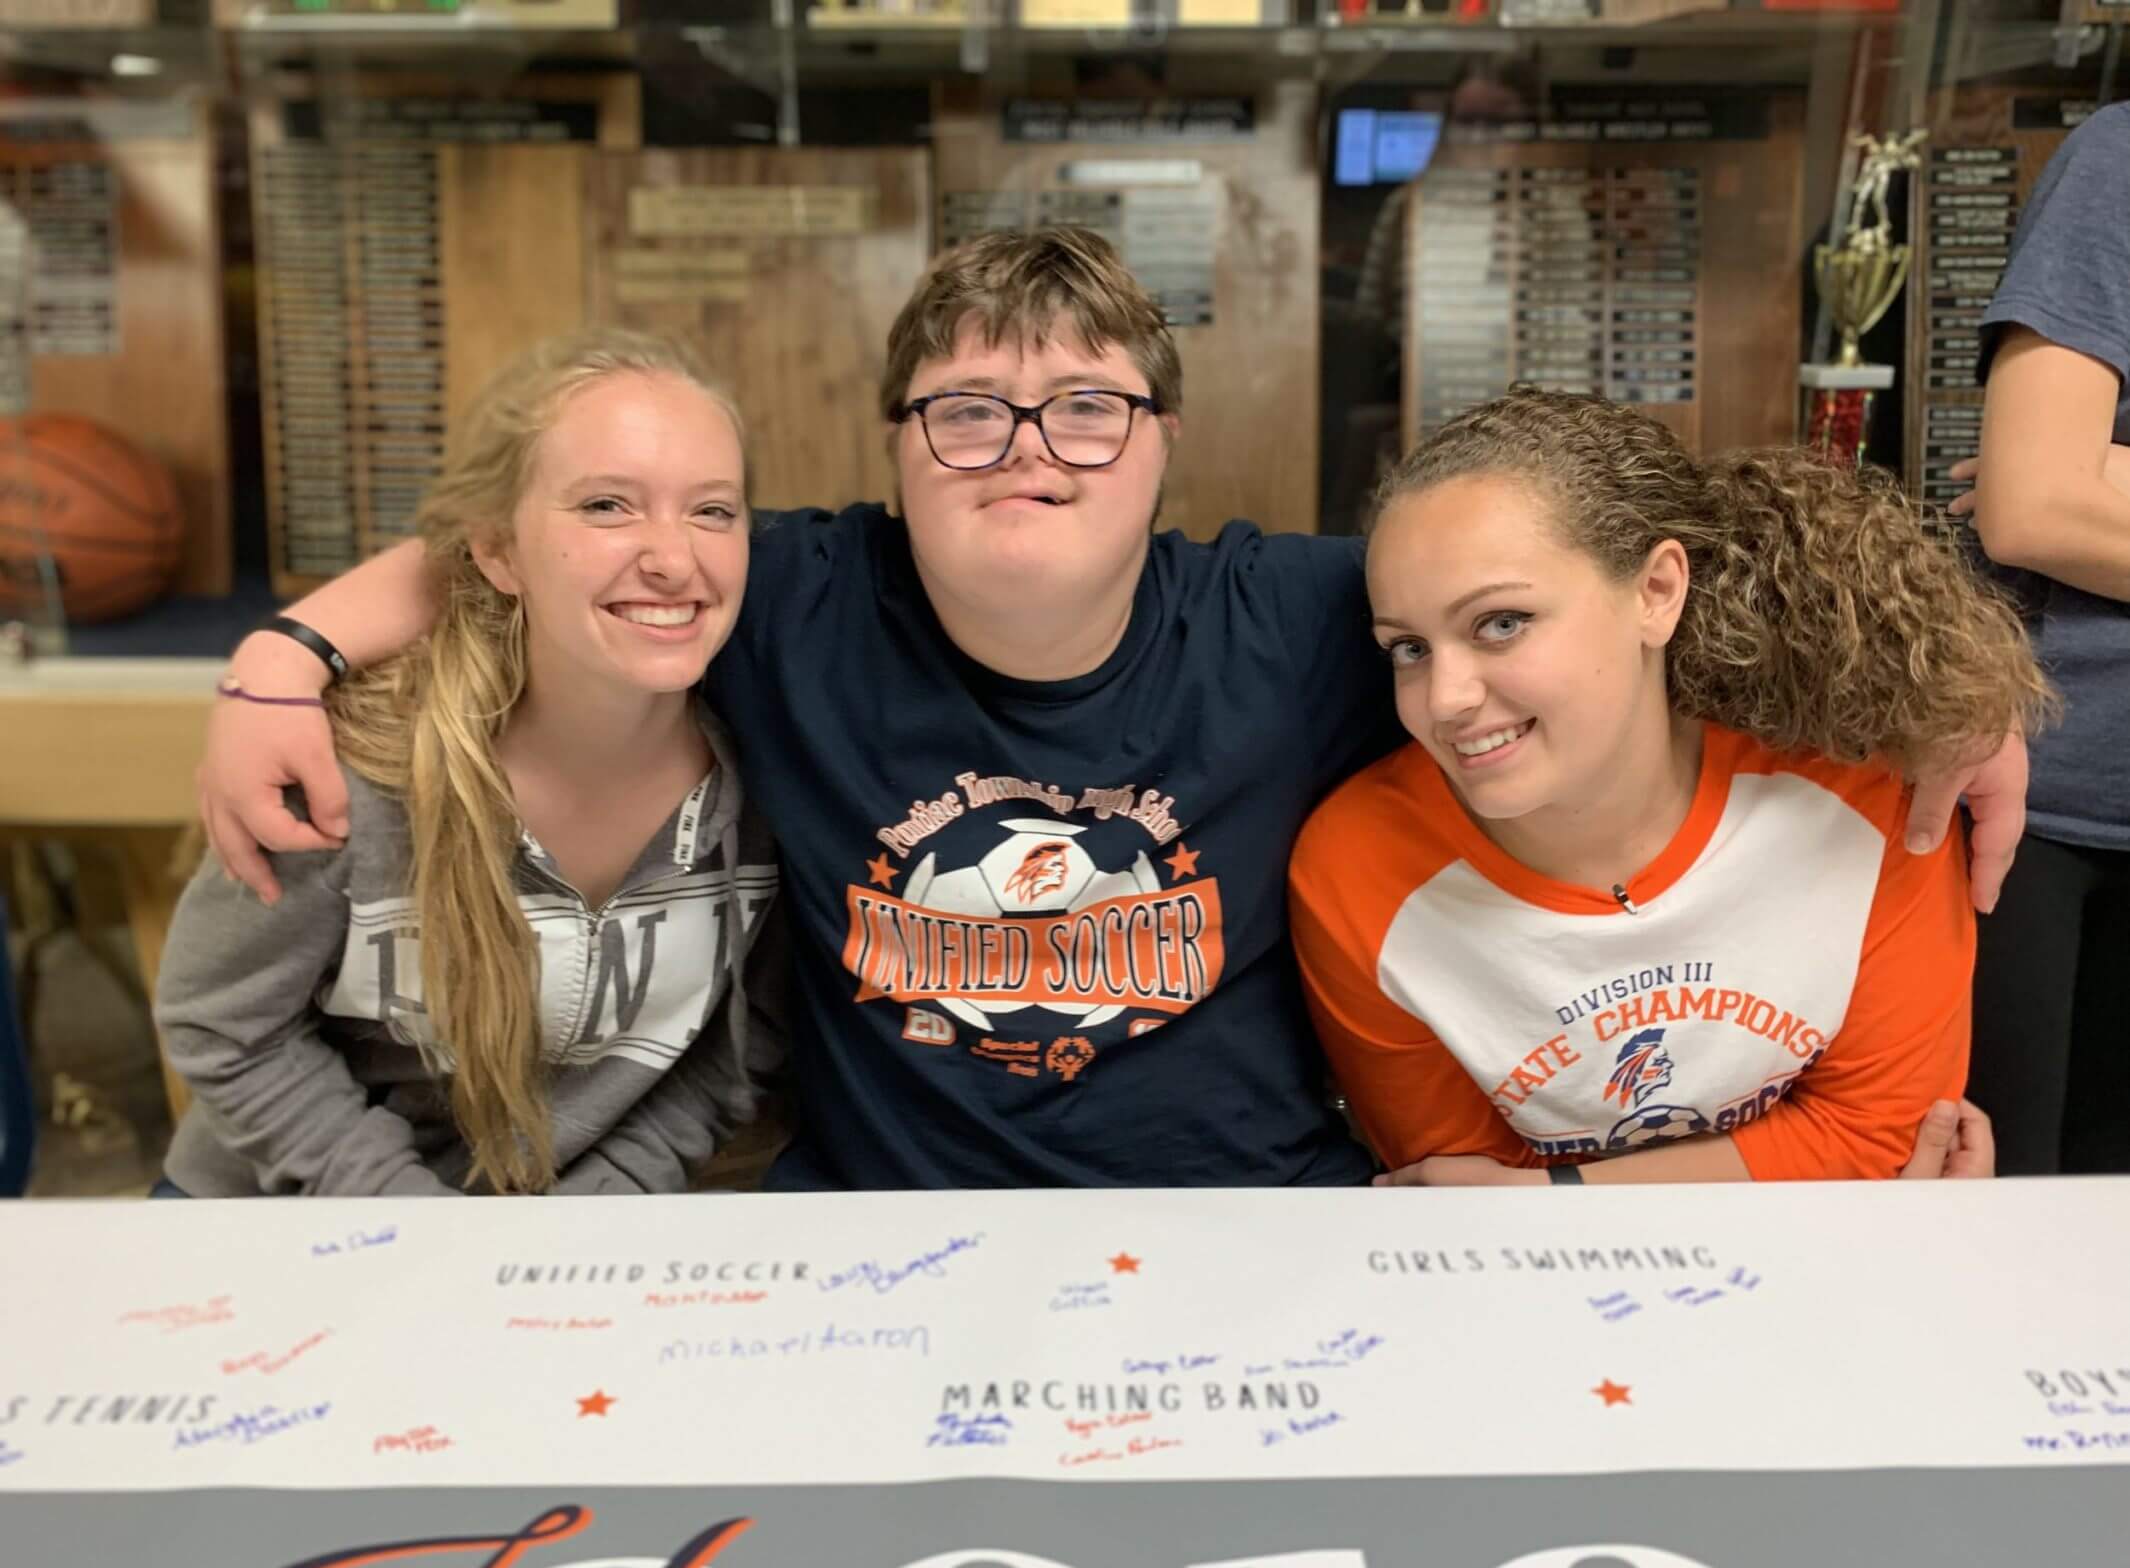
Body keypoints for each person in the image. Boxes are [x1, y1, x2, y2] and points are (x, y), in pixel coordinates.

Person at [193, 229, 2028, 1191]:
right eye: (966, 410)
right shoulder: (796, 592)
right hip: (883, 1234)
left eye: (1086, 406)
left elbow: (1617, 549)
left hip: (1261, 1230)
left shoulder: (1307, 611)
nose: (1028, 450)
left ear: (1164, 446)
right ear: (894, 458)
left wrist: (1950, 690)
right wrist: (283, 655)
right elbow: (548, 534)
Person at [1289, 389, 2052, 1186]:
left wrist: (1559, 1193)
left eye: (1501, 623)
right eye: (1408, 648)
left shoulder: (1864, 791)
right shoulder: (1357, 872)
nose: (1444, 699)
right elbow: (1464, 1202)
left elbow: (1887, 1140)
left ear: (1657, 592)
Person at [154, 330, 783, 1196]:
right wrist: (416, 1230)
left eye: (713, 510)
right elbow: (223, 1026)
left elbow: (738, 1053)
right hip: (290, 1219)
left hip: (575, 1239)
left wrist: (603, 1212)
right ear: (497, 551)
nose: (674, 559)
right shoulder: (360, 770)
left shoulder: (769, 774)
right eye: (606, 506)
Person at [1947, 102, 2130, 1176]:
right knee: (2000, 1234)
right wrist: (2076, 478)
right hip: (2046, 817)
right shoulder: (2121, 159)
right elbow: (2034, 504)